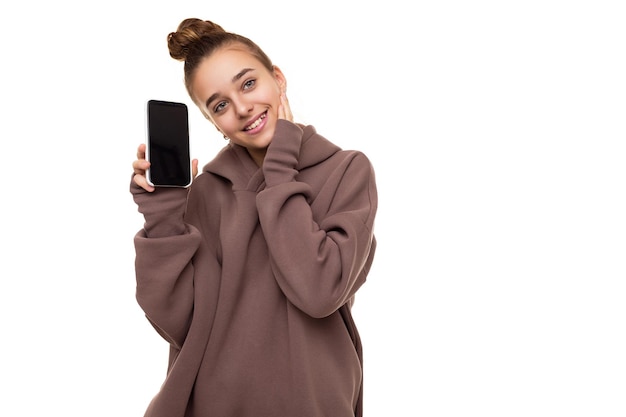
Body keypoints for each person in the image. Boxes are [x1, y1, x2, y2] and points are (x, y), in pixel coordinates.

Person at [130, 17, 378, 417]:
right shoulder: (208, 191)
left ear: (278, 79)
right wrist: (161, 214)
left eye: (248, 84)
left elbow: (319, 292)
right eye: (221, 105)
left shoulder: (346, 171)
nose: (243, 108)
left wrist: (281, 165)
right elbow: (176, 323)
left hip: (314, 403)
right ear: (213, 122)